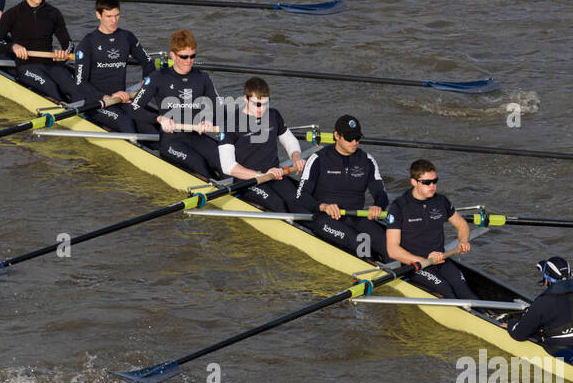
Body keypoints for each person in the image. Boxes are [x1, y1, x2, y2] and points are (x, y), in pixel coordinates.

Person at [295, 114, 389, 259]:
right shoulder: (318, 159)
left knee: (388, 243)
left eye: (357, 138)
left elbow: (381, 193)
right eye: (349, 138)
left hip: (356, 216)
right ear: (336, 135)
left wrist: (378, 206)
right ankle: (371, 271)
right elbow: (302, 196)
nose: (354, 142)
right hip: (325, 218)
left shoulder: (367, 160)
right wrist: (323, 206)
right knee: (360, 243)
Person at [131, 30, 223, 178]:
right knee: (200, 164)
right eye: (184, 57)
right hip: (171, 140)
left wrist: (209, 120)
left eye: (192, 56)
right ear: (173, 55)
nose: (189, 61)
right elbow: (134, 108)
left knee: (222, 160)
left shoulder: (203, 77)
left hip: (196, 134)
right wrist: (159, 119)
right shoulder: (158, 77)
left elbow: (218, 107)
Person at [384, 159, 478, 299]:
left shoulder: (441, 201)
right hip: (414, 264)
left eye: (435, 181)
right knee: (445, 290)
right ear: (414, 182)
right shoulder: (399, 207)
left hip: (440, 258)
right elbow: (392, 250)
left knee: (462, 287)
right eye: (427, 182)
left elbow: (462, 225)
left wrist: (463, 241)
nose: (432, 186)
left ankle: (491, 318)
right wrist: (422, 260)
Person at [0, 0, 76, 102]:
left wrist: (64, 54)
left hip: (50, 63)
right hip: (26, 66)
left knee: (73, 88)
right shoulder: (12, 14)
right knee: (51, 88)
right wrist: (13, 47)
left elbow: (69, 44)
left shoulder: (53, 13)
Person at [72, 0, 159, 134]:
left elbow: (148, 63)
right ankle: (135, 150)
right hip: (97, 103)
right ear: (98, 15)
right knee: (125, 121)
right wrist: (106, 97)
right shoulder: (87, 43)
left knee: (148, 125)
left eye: (117, 15)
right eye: (109, 16)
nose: (114, 21)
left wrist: (146, 82)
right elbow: (80, 83)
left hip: (121, 98)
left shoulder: (126, 37)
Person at [217, 77, 306, 211]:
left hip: (275, 174)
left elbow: (290, 140)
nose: (262, 109)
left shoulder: (273, 115)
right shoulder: (230, 123)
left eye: (265, 104)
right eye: (257, 104)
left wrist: (296, 157)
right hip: (248, 182)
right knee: (278, 206)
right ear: (245, 99)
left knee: (300, 202)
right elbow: (228, 167)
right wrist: (260, 175)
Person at [502, 256, 573, 348]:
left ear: (547, 279)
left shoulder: (543, 301)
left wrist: (511, 324)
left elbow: (519, 334)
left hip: (559, 348)